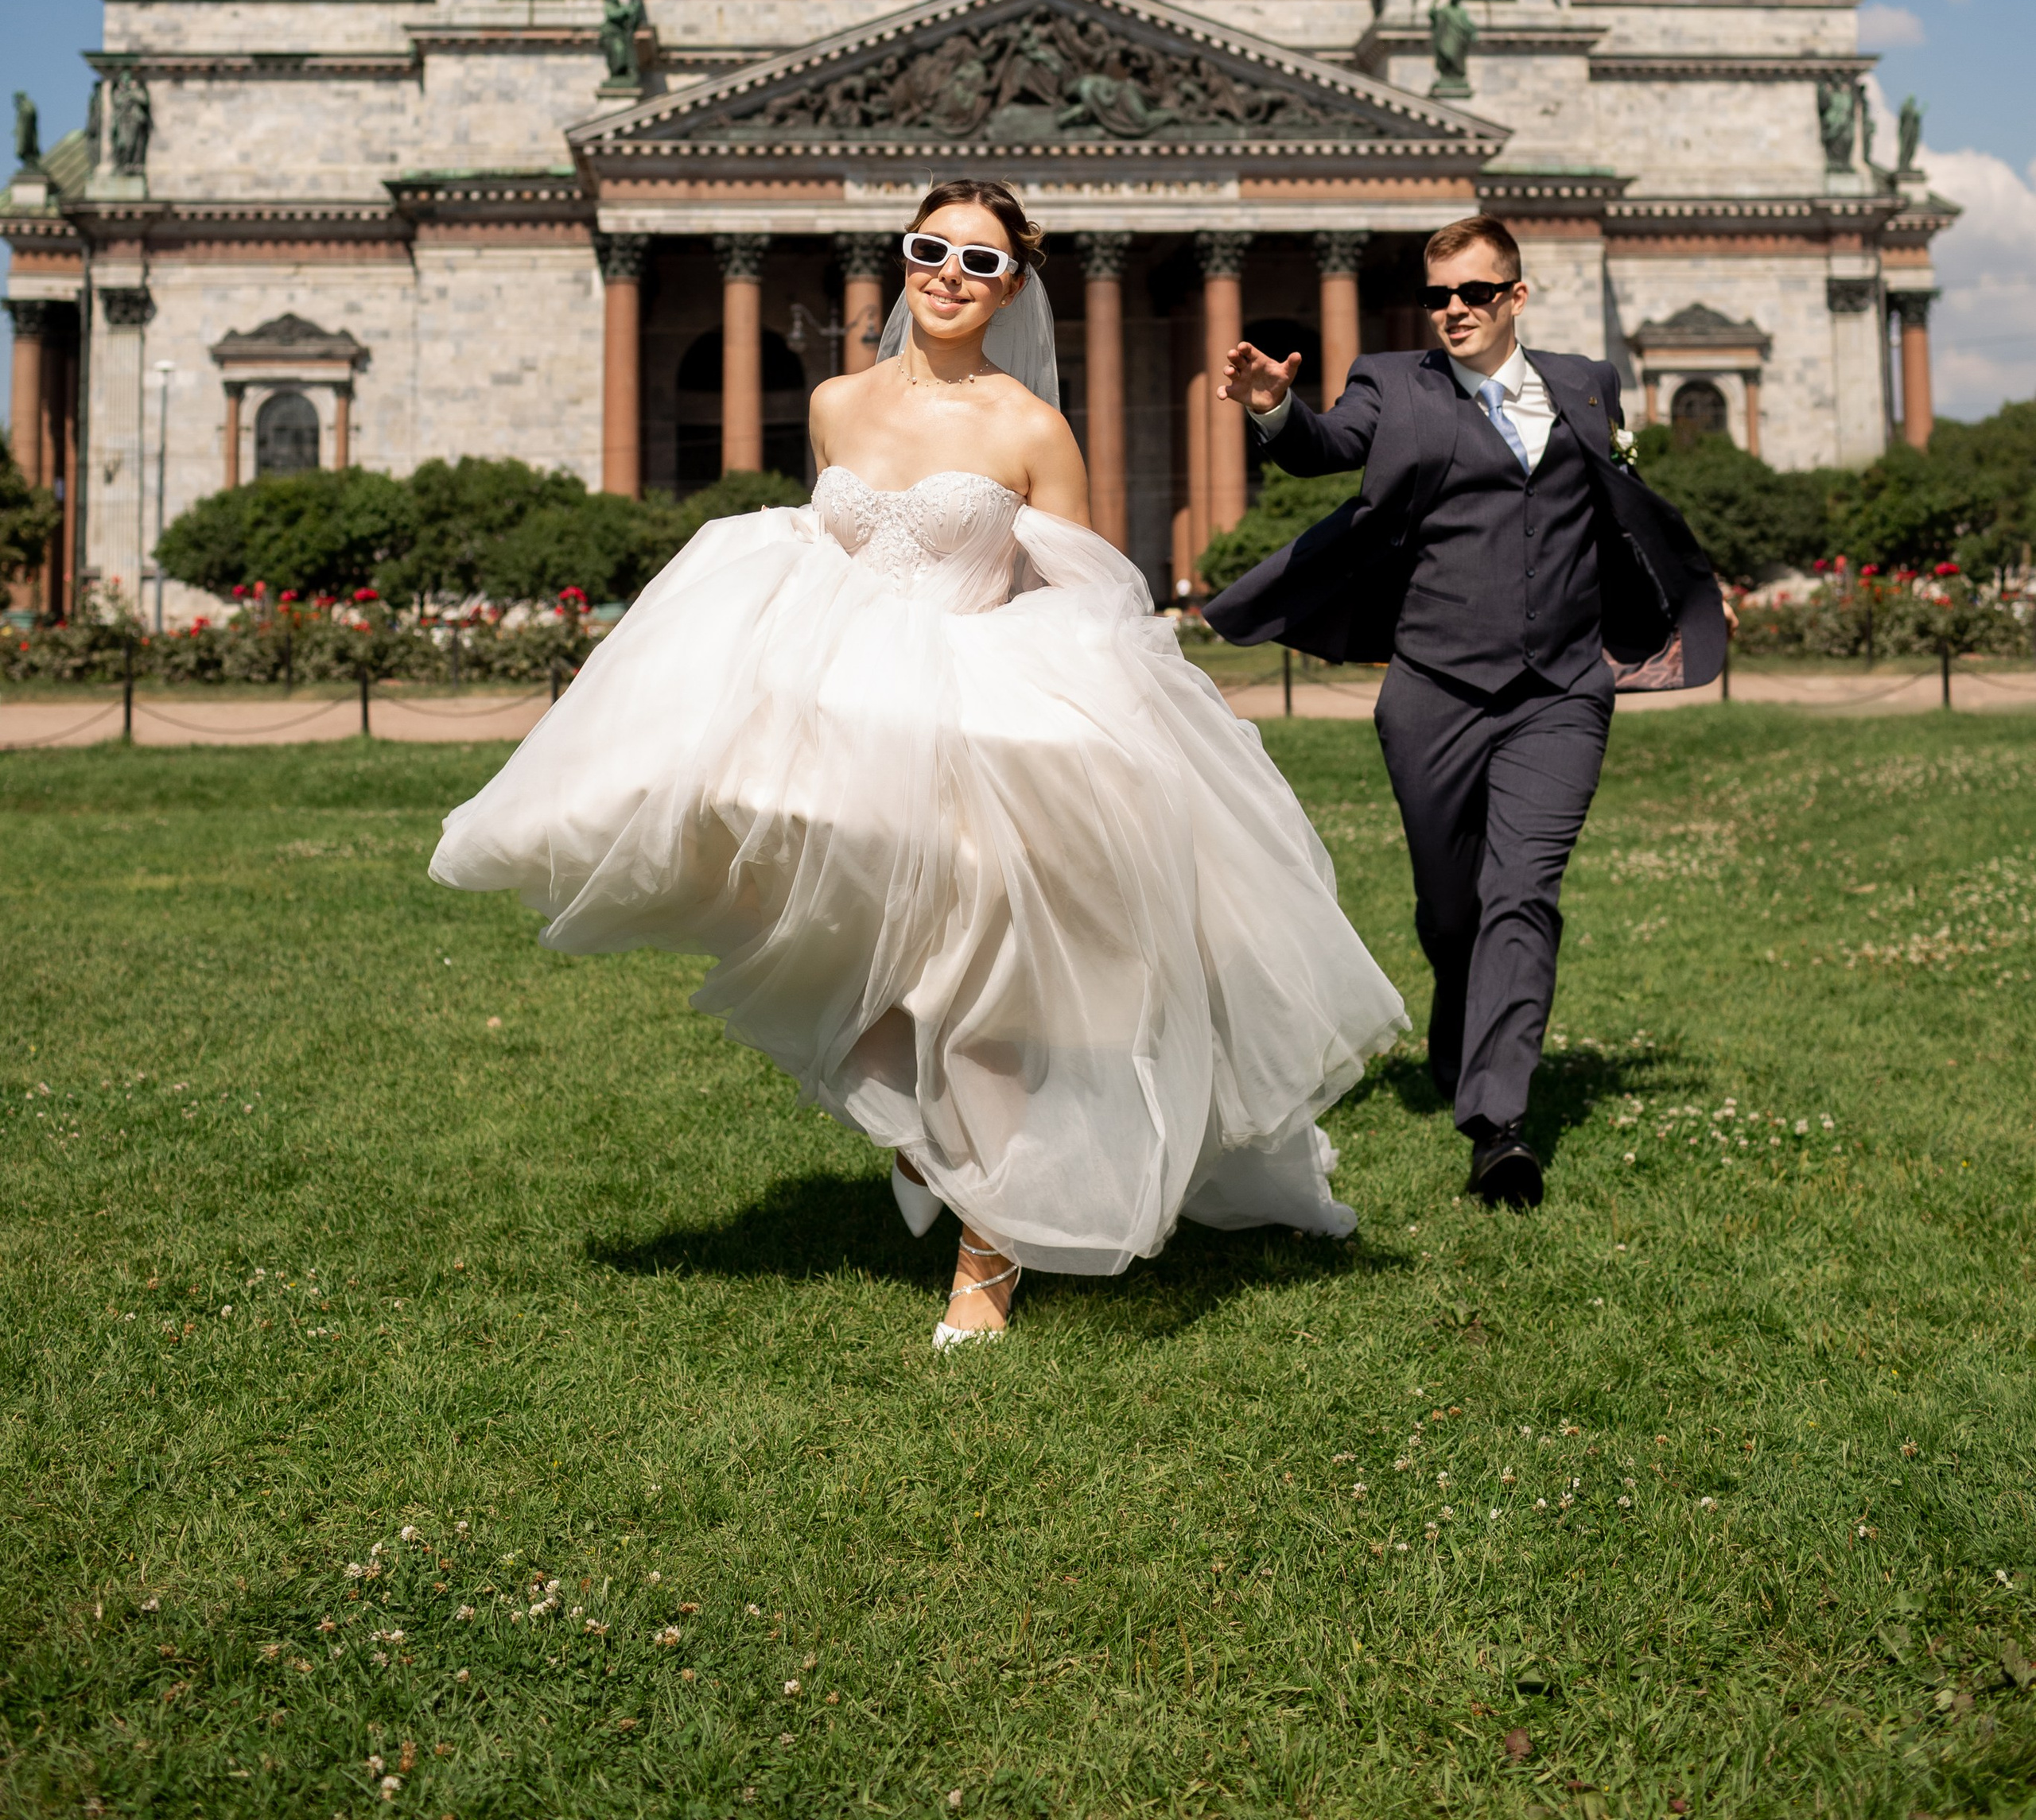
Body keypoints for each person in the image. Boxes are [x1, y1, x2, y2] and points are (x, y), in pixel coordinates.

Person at [430, 176, 1404, 1345]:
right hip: (842, 724)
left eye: (980, 261)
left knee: (982, 991)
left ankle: (986, 1262)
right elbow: (819, 555)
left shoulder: (1031, 429)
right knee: (850, 960)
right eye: (931, 248)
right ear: (904, 258)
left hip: (977, 718)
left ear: (1013, 287)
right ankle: (924, 1144)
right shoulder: (837, 404)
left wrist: (1086, 728)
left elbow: (1084, 593)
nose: (949, 274)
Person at [1206, 216, 1726, 1213]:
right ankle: (1460, 1007)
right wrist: (1275, 409)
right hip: (1434, 690)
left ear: (1514, 298)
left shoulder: (1586, 384)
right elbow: (1324, 448)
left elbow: (1619, 507)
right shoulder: (1392, 384)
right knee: (1455, 911)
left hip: (1563, 690)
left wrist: (1665, 594)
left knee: (1522, 890)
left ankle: (1499, 1129)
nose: (1452, 310)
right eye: (1439, 294)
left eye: (1473, 294)